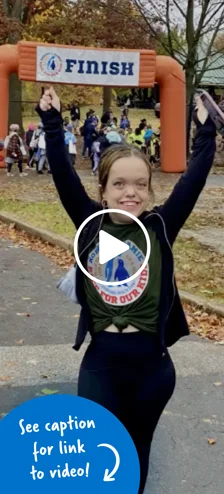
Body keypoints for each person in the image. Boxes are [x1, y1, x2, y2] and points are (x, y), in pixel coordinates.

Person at [36, 87, 217, 494]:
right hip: (101, 365)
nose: (130, 192)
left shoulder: (159, 227)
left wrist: (205, 134)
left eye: (140, 184)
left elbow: (193, 182)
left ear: (150, 191)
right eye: (119, 184)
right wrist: (51, 121)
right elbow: (63, 176)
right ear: (104, 191)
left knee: (135, 458)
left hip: (153, 368)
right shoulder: (91, 224)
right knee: (97, 464)